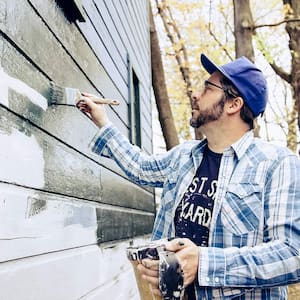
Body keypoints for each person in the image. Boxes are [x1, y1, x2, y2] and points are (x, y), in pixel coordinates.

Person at [78, 54, 300, 299]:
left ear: (233, 105)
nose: (195, 94)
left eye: (207, 88)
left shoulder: (277, 163)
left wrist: (204, 264)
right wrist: (102, 121)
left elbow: (293, 255)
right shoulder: (184, 156)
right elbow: (140, 167)